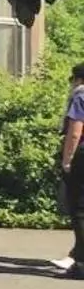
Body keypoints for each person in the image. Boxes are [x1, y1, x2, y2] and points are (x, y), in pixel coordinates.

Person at [53, 62, 84, 277]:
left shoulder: (80, 96)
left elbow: (75, 131)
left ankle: (81, 263)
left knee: (79, 209)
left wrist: (67, 160)